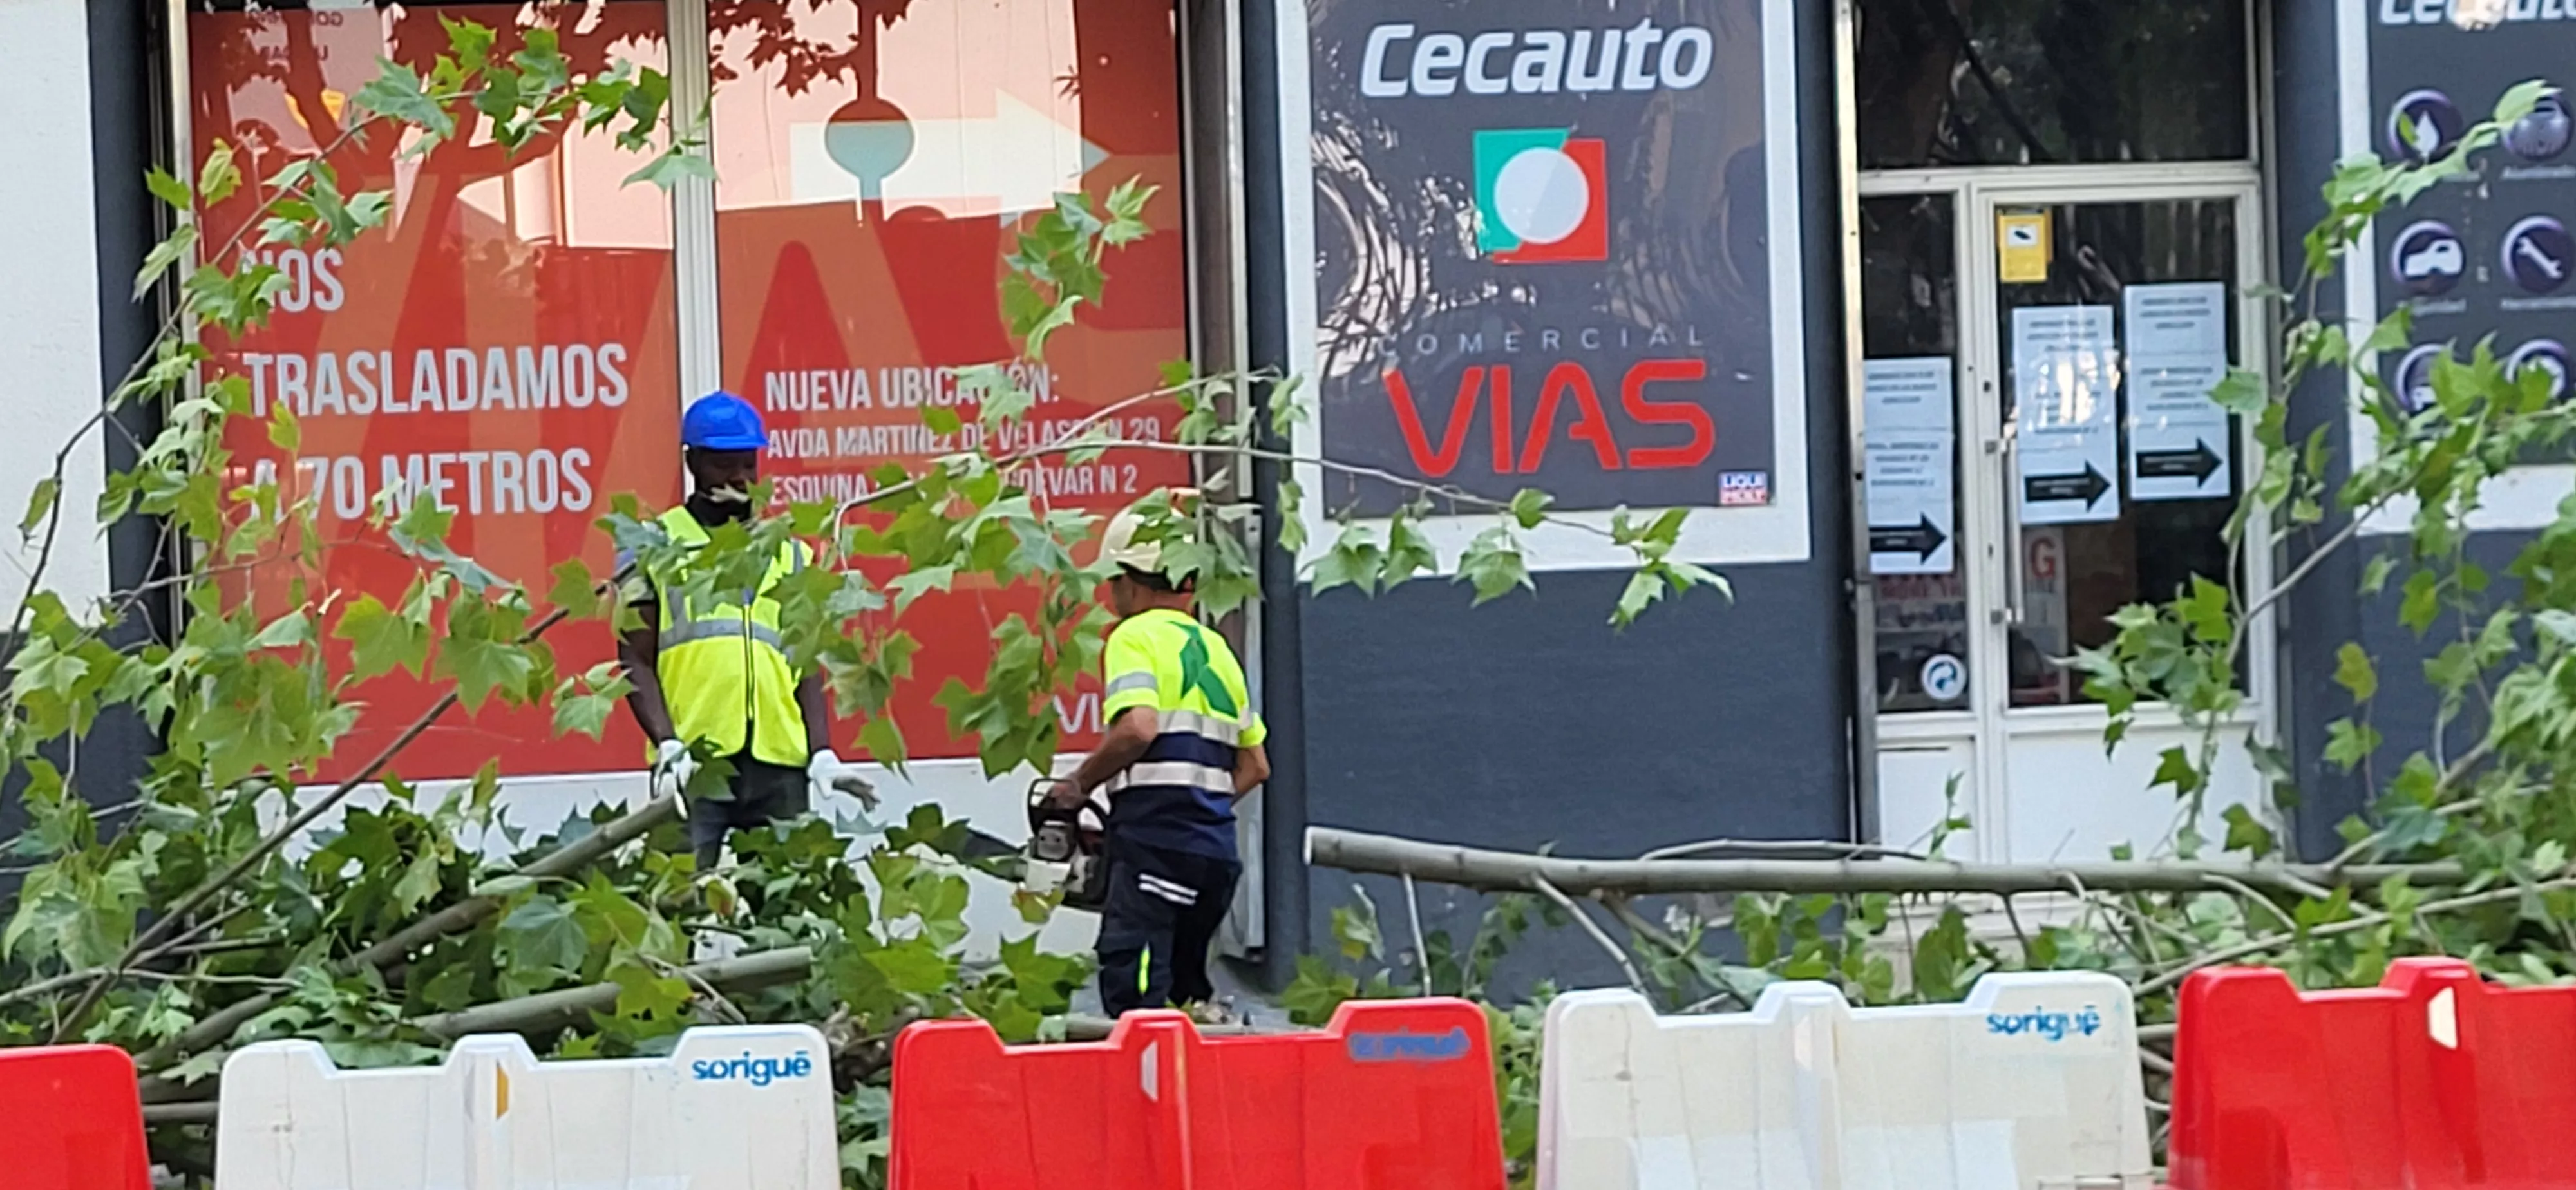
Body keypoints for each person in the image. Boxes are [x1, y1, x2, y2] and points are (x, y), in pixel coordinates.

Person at [620, 390, 866, 869]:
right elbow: (635, 658)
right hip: (694, 761)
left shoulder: (791, 552)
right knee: (674, 912)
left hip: (780, 763)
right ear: (692, 463)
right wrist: (667, 744)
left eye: (748, 466)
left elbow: (805, 662)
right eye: (723, 465)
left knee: (790, 917)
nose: (738, 479)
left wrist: (822, 753)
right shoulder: (654, 547)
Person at [1050, 490, 1270, 1016]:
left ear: (1129, 581)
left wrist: (1076, 787)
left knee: (1138, 1007)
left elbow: (1138, 729)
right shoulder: (1219, 650)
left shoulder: (1134, 637)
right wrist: (1198, 808)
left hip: (1155, 853)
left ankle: (1141, 1098)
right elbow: (1256, 766)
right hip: (1215, 859)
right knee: (1187, 1000)